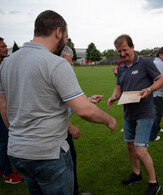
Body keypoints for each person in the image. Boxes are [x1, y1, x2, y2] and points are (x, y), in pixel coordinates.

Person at [0, 10, 116, 195]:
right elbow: (84, 110)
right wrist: (109, 120)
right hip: (47, 154)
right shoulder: (56, 63)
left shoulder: (7, 63)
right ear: (58, 32)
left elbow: (4, 106)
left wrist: (18, 135)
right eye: (66, 36)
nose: (66, 41)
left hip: (17, 152)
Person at [107, 34, 163, 195]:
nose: (122, 53)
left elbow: (160, 80)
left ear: (132, 47)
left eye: (125, 50)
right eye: (119, 51)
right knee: (130, 146)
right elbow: (119, 87)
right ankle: (136, 173)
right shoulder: (121, 67)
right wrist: (113, 96)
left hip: (144, 113)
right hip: (128, 112)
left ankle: (154, 183)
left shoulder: (145, 62)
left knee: (140, 150)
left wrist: (149, 89)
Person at [61, 45, 102, 195]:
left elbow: (71, 101)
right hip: (60, 130)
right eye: (71, 60)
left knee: (69, 160)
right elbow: (56, 107)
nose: (72, 63)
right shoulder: (61, 71)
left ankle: (74, 191)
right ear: (65, 57)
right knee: (67, 162)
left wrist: (89, 99)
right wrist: (69, 126)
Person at [0, 37, 24, 184]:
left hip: (6, 107)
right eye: (2, 46)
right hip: (2, 109)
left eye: (5, 46)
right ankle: (7, 174)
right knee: (4, 141)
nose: (6, 48)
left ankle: (4, 168)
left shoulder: (4, 65)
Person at [150, 47, 163, 142]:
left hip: (156, 92)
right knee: (158, 114)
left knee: (156, 113)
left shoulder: (156, 62)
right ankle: (152, 135)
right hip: (156, 93)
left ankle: (157, 128)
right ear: (160, 55)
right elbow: (160, 79)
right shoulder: (159, 63)